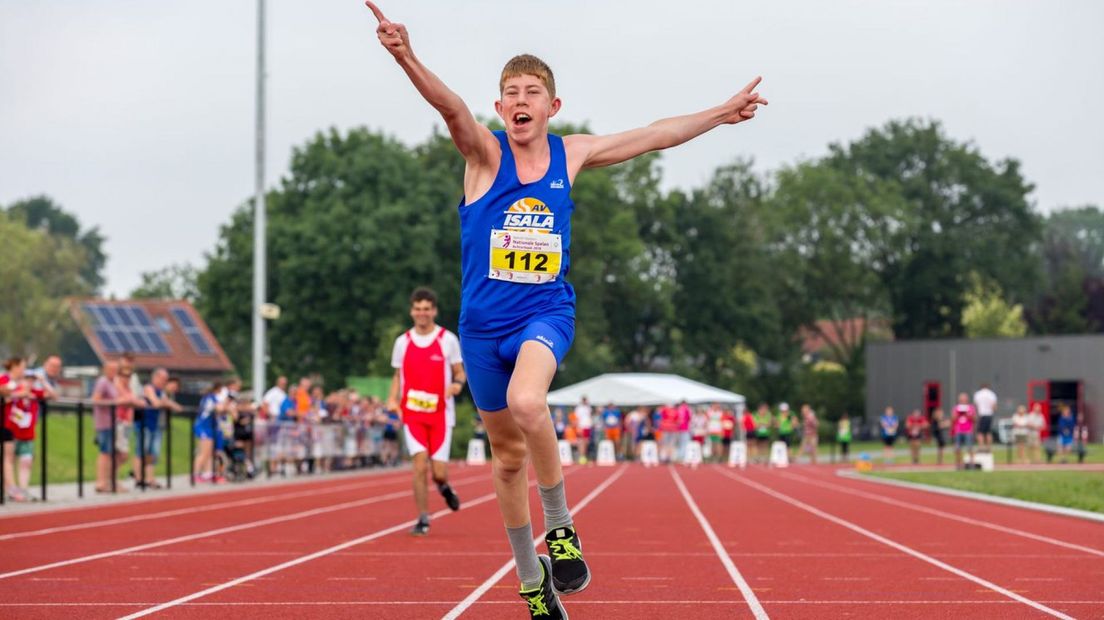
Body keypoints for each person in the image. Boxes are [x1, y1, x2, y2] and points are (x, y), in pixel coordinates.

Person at [364, 3, 766, 615]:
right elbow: (449, 107)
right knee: (505, 461)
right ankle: (532, 583)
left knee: (530, 403)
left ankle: (561, 528)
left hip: (544, 313)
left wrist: (719, 113)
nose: (520, 100)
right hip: (481, 329)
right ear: (500, 110)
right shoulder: (482, 156)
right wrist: (404, 56)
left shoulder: (570, 154)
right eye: (510, 93)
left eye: (533, 92)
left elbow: (654, 134)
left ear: (553, 106)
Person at [386, 286, 466, 536]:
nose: (422, 313)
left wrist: (457, 384)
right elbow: (398, 375)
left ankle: (444, 487)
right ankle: (423, 518)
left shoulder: (447, 339)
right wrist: (392, 399)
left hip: (441, 414)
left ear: (434, 311)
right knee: (419, 466)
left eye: (427, 309)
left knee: (439, 472)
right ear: (412, 311)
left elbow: (460, 371)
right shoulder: (403, 342)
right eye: (418, 309)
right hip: (413, 415)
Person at [2, 358, 48, 502]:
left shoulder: (22, 383)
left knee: (9, 457)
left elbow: (48, 394)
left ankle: (13, 488)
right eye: (22, 367)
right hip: (6, 422)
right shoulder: (6, 378)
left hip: (9, 426)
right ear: (14, 366)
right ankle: (10, 488)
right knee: (7, 458)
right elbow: (5, 391)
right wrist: (17, 392)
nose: (24, 370)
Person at [135, 368, 182, 489]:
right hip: (144, 424)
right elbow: (156, 403)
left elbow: (177, 407)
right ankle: (139, 478)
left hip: (155, 425)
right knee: (142, 451)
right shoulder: (149, 388)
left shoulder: (161, 392)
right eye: (163, 379)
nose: (164, 382)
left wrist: (166, 403)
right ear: (155, 377)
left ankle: (150, 479)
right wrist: (166, 403)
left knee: (153, 453)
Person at [193, 381, 229, 483]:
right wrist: (226, 401)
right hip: (204, 426)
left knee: (209, 452)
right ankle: (195, 474)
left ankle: (208, 473)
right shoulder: (210, 398)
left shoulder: (212, 398)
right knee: (204, 452)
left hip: (211, 427)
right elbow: (220, 408)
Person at [952, 393, 976, 470]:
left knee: (970, 447)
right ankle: (959, 464)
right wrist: (959, 414)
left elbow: (974, 419)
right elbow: (953, 419)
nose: (963, 400)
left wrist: (967, 415)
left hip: (968, 430)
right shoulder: (956, 408)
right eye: (961, 398)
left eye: (964, 398)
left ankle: (972, 464)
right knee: (958, 448)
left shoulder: (971, 407)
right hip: (958, 430)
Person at [973, 383, 998, 453]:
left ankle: (981, 447)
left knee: (980, 432)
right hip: (989, 415)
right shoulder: (992, 394)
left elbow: (976, 406)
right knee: (988, 432)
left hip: (982, 414)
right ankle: (989, 448)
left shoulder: (978, 394)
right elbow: (994, 407)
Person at [573, 397, 594, 464]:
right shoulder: (579, 408)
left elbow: (590, 416)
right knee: (581, 441)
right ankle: (581, 456)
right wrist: (578, 427)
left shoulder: (588, 408)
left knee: (586, 441)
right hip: (581, 426)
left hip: (588, 426)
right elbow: (576, 418)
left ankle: (584, 456)